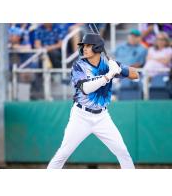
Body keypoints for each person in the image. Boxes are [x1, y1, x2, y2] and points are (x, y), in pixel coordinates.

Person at [47, 33, 139, 169]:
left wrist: (119, 68)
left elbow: (135, 74)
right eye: (83, 46)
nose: (84, 48)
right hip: (81, 116)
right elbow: (86, 89)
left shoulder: (109, 64)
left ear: (97, 47)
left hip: (102, 117)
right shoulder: (79, 66)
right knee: (63, 153)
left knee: (123, 152)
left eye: (88, 46)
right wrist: (109, 75)